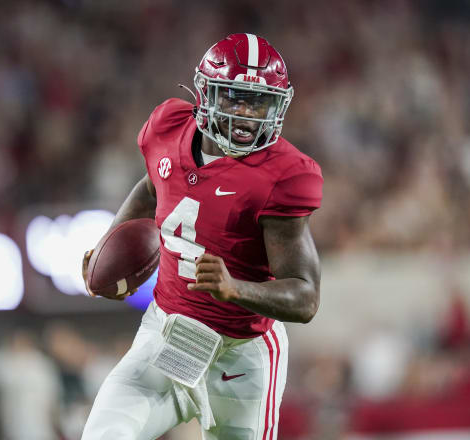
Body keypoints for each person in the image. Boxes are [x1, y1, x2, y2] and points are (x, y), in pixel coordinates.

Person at [81, 33, 323, 440]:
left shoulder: (284, 175)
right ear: (206, 93)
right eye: (235, 98)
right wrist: (109, 244)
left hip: (243, 357)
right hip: (169, 336)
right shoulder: (166, 126)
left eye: (259, 102)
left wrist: (237, 288)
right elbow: (150, 185)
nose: (247, 114)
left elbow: (305, 297)